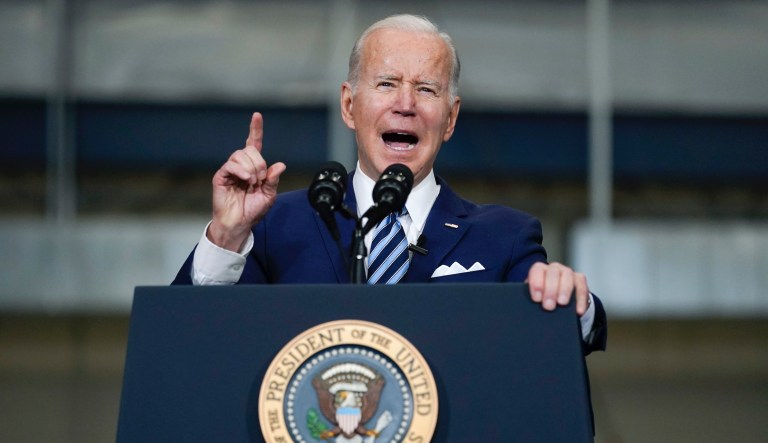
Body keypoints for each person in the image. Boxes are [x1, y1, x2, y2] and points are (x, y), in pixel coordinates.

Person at [173, 14, 606, 354]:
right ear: (348, 105)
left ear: (450, 118)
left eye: (426, 89)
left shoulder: (505, 237)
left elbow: (561, 331)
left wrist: (569, 300)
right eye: (386, 84)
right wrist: (227, 235)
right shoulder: (274, 226)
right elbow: (191, 339)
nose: (405, 105)